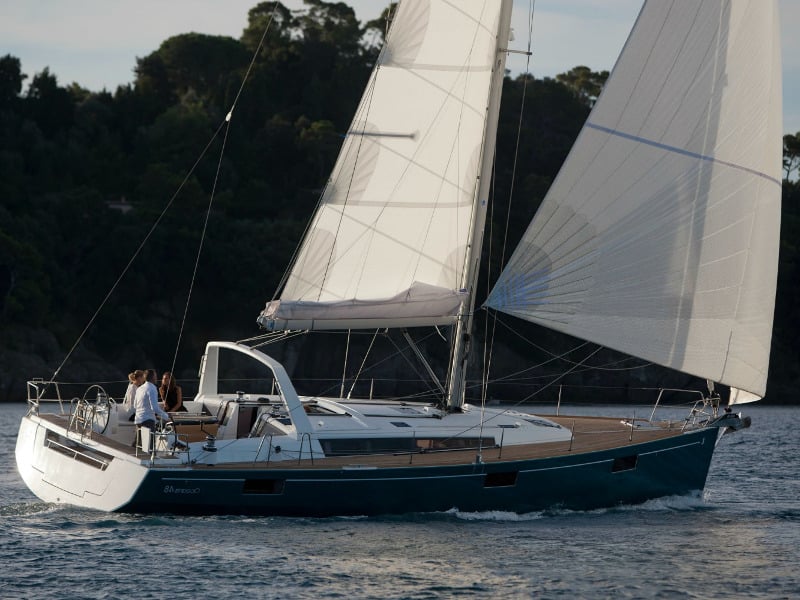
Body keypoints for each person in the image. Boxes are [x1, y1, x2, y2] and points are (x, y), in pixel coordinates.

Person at [134, 369, 170, 434]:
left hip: (138, 420)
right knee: (149, 443)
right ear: (153, 377)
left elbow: (135, 405)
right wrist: (166, 416)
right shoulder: (152, 388)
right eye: (155, 376)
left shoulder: (139, 389)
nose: (156, 378)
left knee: (139, 443)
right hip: (147, 421)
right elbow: (154, 408)